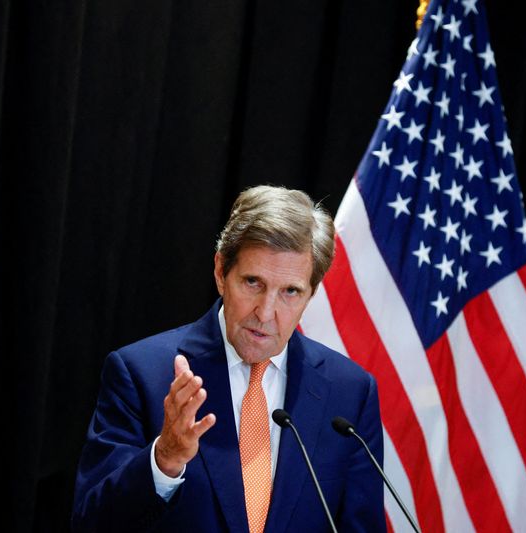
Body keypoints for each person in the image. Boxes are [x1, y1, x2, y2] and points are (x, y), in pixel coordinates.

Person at [72, 185, 386, 532]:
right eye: (253, 282)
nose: (266, 313)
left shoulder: (349, 394)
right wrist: (165, 459)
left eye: (290, 292)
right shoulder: (141, 373)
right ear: (222, 272)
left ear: (311, 293)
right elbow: (91, 523)